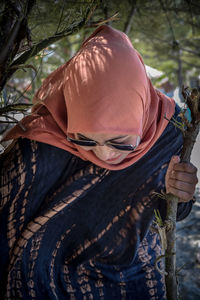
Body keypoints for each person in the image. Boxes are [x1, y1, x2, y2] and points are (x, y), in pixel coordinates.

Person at [0, 25, 198, 300]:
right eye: (85, 140)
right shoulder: (42, 140)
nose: (104, 155)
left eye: (121, 142)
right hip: (40, 272)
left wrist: (180, 194)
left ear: (142, 115)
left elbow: (170, 215)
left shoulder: (169, 130)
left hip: (128, 273)